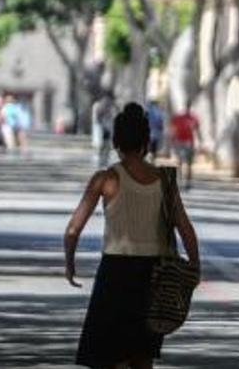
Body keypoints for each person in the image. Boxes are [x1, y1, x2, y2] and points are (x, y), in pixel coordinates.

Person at [65, 103, 199, 369]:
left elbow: (73, 230)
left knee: (109, 355)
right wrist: (194, 268)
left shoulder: (104, 179)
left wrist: (70, 264)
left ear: (116, 141)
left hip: (114, 274)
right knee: (143, 355)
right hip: (154, 276)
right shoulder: (165, 181)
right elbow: (185, 229)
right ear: (146, 141)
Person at [170, 107, 200, 190]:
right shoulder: (178, 117)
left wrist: (199, 142)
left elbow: (197, 130)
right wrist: (172, 140)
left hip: (189, 142)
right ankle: (180, 181)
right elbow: (173, 129)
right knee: (180, 162)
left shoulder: (194, 117)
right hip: (180, 142)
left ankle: (188, 182)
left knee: (189, 163)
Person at [94, 93, 117, 167]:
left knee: (104, 143)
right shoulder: (108, 104)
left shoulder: (102, 103)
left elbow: (98, 114)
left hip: (104, 126)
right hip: (107, 126)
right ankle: (104, 159)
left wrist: (99, 122)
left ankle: (103, 159)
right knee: (106, 144)